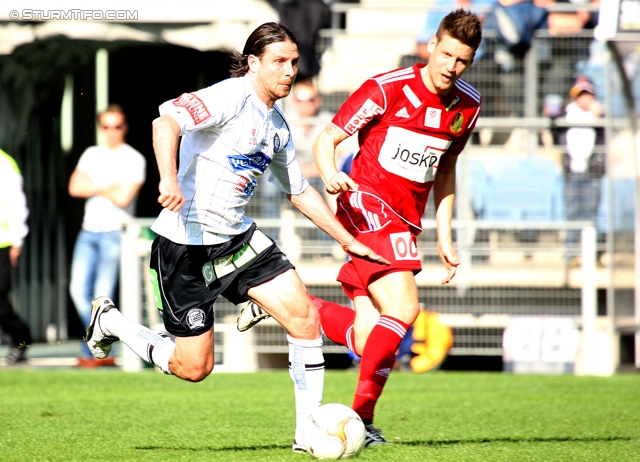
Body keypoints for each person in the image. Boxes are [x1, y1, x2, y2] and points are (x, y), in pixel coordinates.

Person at [83, 22, 387, 453]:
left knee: (305, 319)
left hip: (237, 240)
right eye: (279, 61)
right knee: (194, 368)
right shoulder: (228, 96)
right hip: (183, 246)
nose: (289, 71)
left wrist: (347, 239)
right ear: (253, 63)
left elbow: (298, 191)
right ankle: (110, 322)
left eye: (294, 62)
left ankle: (307, 435)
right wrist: (169, 178)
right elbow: (164, 122)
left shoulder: (277, 127)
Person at [243, 9, 483, 447]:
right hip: (366, 205)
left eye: (462, 60)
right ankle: (363, 420)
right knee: (405, 308)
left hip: (407, 222)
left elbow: (446, 169)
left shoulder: (467, 105)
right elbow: (327, 138)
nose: (452, 66)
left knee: (367, 336)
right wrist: (330, 171)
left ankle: (279, 302)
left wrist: (446, 236)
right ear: (431, 45)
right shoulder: (387, 89)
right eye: (446, 53)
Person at [68, 104, 146, 368]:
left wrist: (94, 186)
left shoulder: (134, 158)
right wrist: (108, 186)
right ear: (100, 128)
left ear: (125, 128)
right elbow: (74, 187)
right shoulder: (91, 153)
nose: (111, 132)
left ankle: (93, 353)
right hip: (88, 231)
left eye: (117, 126)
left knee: (102, 297)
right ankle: (102, 343)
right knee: (78, 292)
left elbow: (124, 197)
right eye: (106, 126)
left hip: (116, 233)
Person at [562, 76, 604, 245]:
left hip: (592, 172)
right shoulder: (567, 113)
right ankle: (571, 255)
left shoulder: (599, 116)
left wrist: (600, 116)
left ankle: (591, 254)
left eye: (587, 94)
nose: (584, 98)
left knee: (590, 214)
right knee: (571, 213)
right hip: (572, 172)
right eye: (580, 94)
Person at [0, 149, 32, 365]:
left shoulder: (5, 163)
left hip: (3, 241)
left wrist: (18, 240)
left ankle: (21, 338)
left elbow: (17, 204)